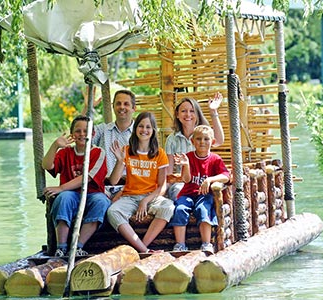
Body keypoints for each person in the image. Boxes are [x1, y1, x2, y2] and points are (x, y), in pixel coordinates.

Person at [42, 115, 111, 257]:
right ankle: (61, 247)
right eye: (78, 131)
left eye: (86, 131)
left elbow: (87, 178)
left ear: (93, 134)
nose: (82, 134)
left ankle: (77, 246)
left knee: (101, 201)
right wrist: (55, 146)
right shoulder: (65, 152)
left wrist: (60, 188)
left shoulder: (98, 152)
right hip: (71, 194)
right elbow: (46, 165)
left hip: (92, 194)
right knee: (64, 198)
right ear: (72, 134)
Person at [107, 112, 175, 253]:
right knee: (112, 212)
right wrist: (120, 161)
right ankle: (144, 250)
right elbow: (113, 181)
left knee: (168, 207)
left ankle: (141, 247)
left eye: (148, 127)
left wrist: (145, 201)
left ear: (153, 131)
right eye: (141, 126)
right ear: (135, 129)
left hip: (151, 197)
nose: (144, 130)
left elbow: (162, 186)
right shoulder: (126, 150)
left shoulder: (160, 154)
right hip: (130, 197)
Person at [170, 125, 230, 253]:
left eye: (206, 139)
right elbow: (186, 180)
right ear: (192, 141)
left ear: (212, 142)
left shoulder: (215, 159)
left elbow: (226, 176)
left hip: (204, 195)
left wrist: (209, 180)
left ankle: (206, 243)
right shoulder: (189, 157)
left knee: (203, 209)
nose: (202, 142)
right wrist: (185, 165)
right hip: (188, 193)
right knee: (180, 209)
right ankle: (180, 244)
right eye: (198, 139)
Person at [165, 92, 225, 200]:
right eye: (183, 111)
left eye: (192, 111)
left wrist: (213, 111)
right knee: (177, 193)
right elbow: (169, 172)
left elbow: (219, 141)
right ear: (177, 115)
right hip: (181, 184)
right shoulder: (172, 139)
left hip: (203, 182)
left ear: (197, 114)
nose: (188, 114)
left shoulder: (203, 134)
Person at [91, 89, 136, 198]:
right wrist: (89, 108)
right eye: (118, 103)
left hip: (131, 189)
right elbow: (82, 133)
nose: (122, 107)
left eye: (126, 104)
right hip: (103, 189)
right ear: (113, 106)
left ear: (134, 108)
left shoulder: (141, 133)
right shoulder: (103, 130)